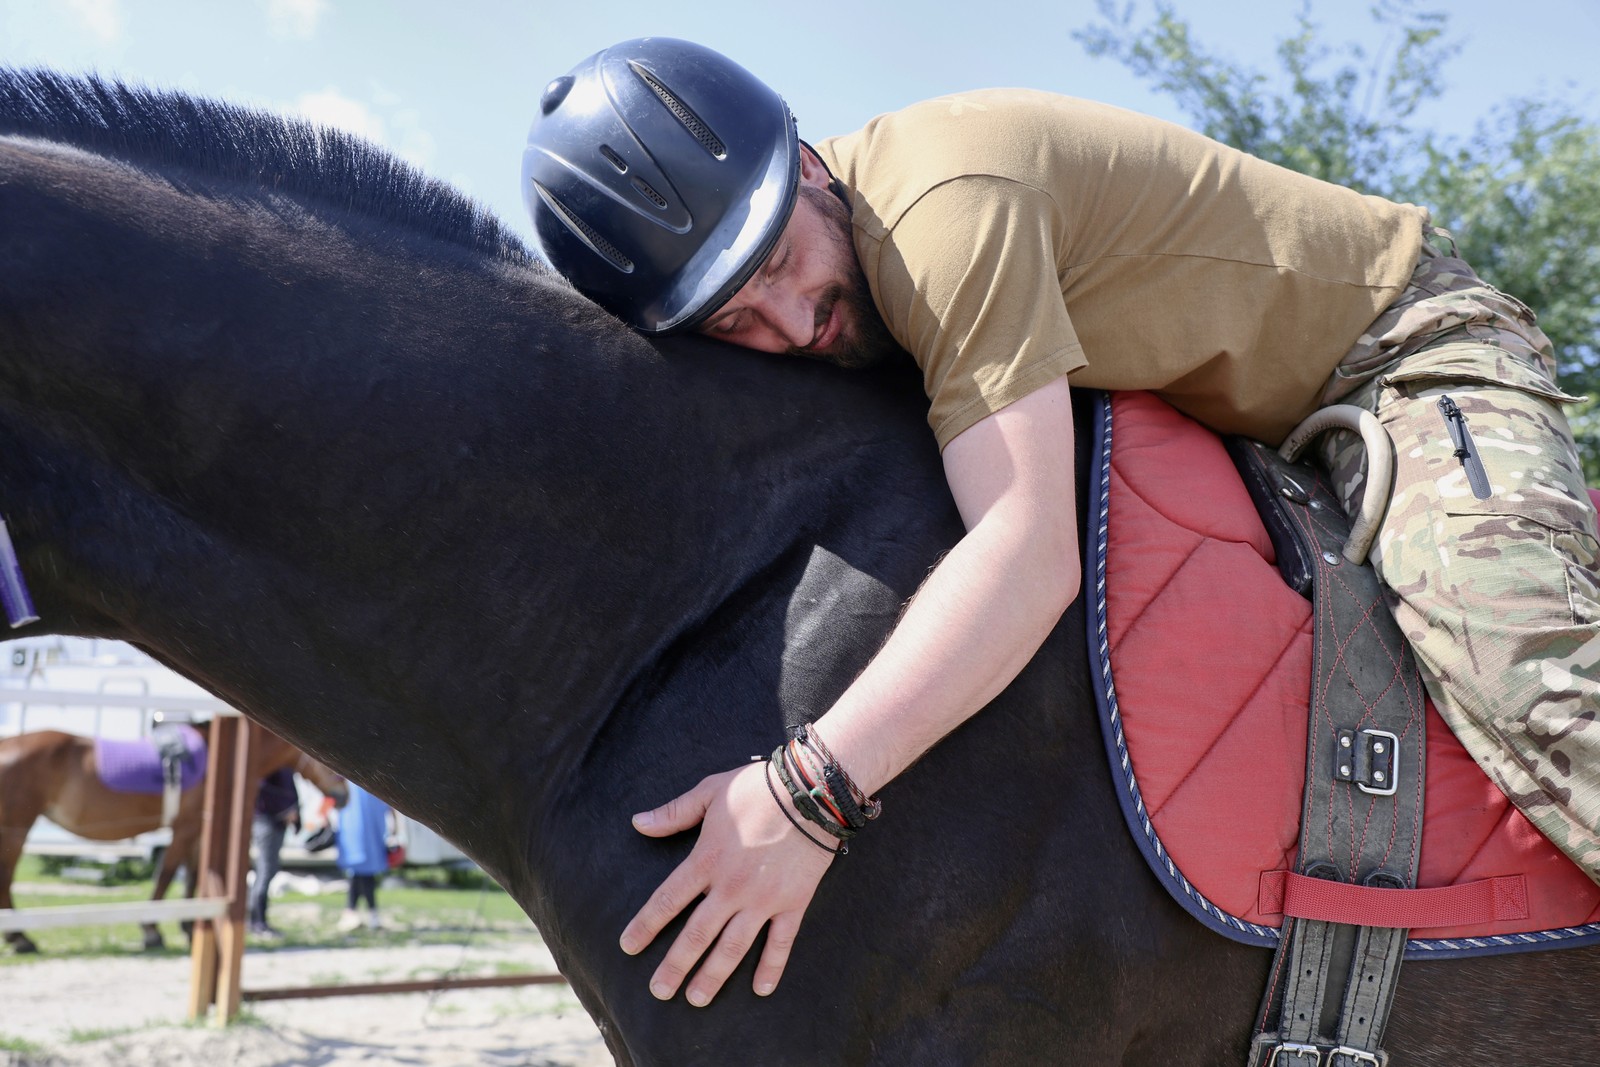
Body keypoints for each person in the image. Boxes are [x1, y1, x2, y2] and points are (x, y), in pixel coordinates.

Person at [522, 37, 1600, 1007]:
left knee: (1520, 667)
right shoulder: (843, 264)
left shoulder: (940, 214)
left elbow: (1030, 553)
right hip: (1268, 418)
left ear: (808, 164)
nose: (792, 322)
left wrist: (808, 794)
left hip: (1406, 352)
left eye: (774, 265)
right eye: (733, 320)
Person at [247, 767, 301, 938]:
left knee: (268, 871)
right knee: (265, 872)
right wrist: (285, 810)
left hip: (274, 823)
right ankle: (258, 922)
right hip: (267, 823)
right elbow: (264, 790)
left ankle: (258, 921)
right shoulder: (272, 764)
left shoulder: (282, 763)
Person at [334, 780, 391, 932]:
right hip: (360, 822)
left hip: (364, 822)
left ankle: (354, 912)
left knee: (360, 872)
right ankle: (366, 913)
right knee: (361, 872)